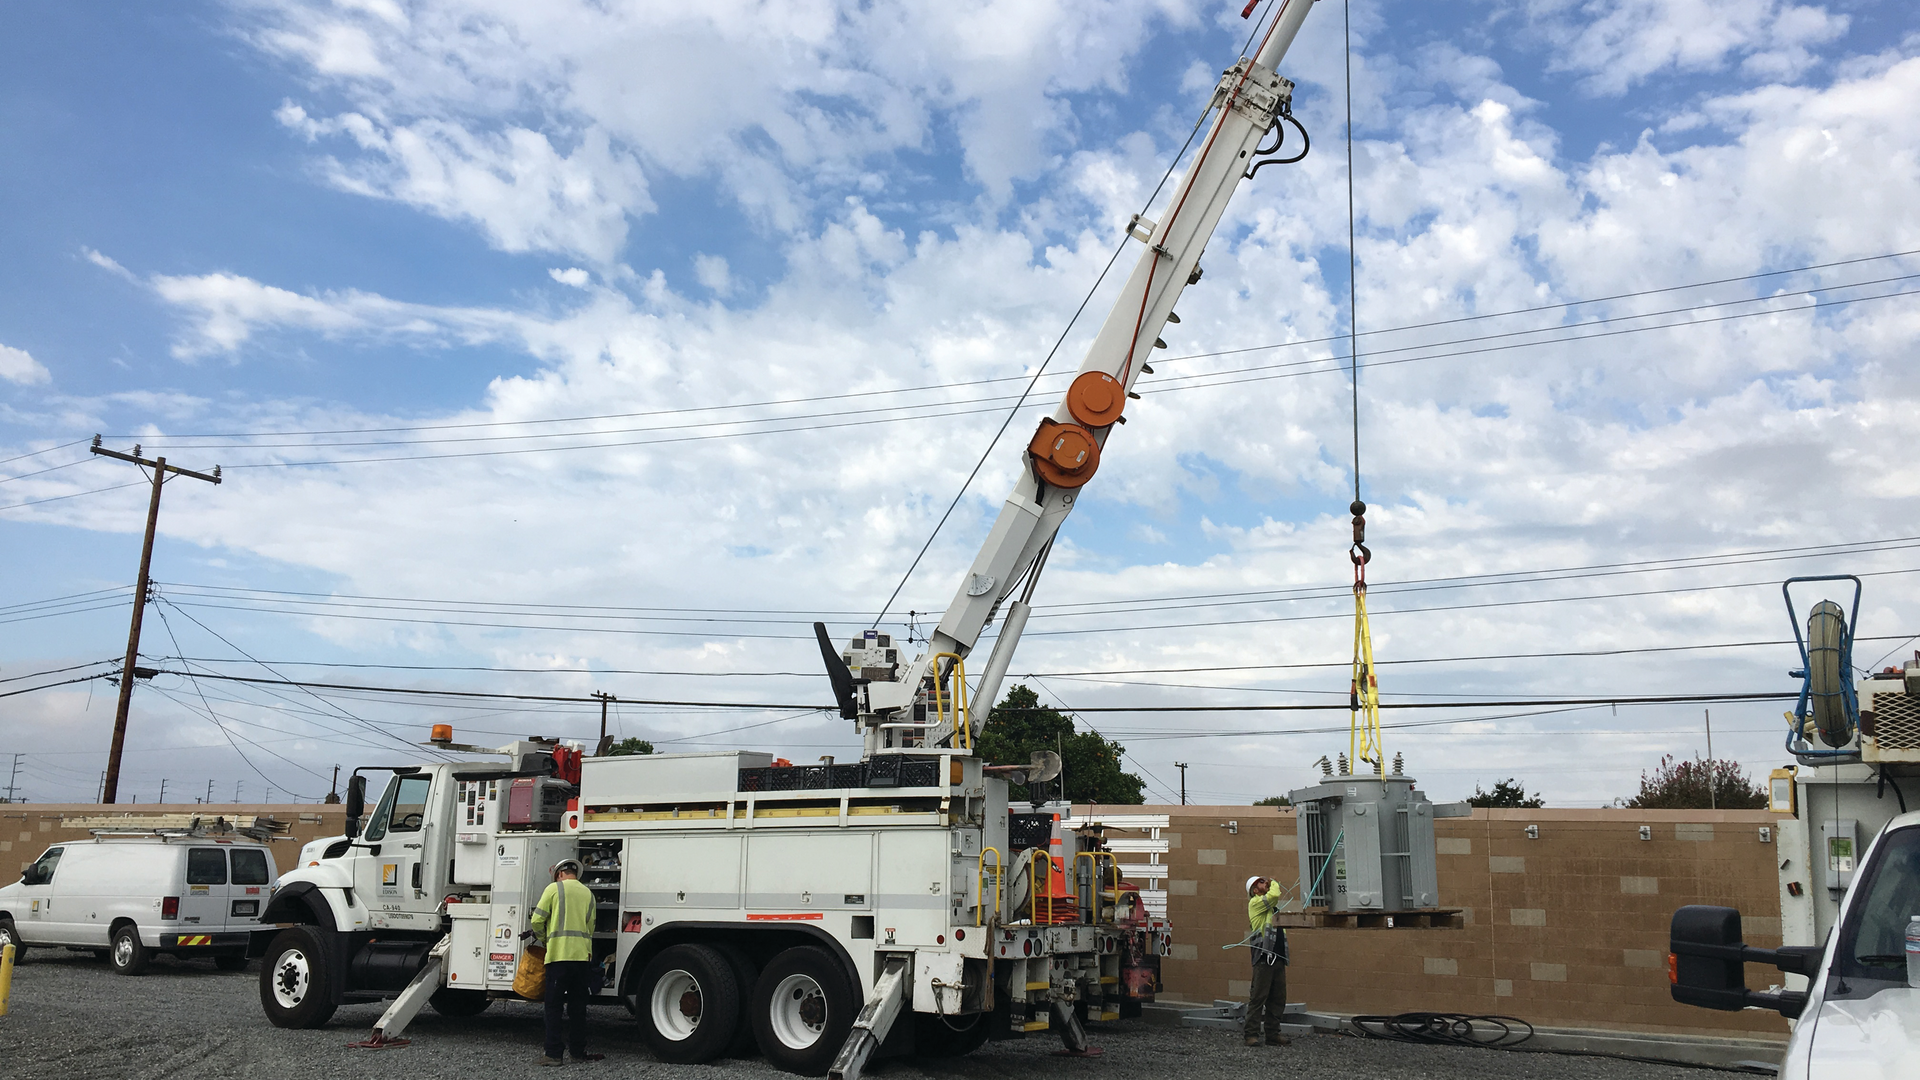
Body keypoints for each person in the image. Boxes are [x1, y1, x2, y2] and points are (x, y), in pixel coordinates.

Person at [531, 859, 604, 1065]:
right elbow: (590, 928)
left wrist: (545, 938)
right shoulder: (588, 894)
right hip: (582, 958)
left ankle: (553, 1054)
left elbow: (537, 920)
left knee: (553, 1007)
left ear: (559, 874)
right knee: (578, 1008)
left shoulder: (553, 889)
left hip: (558, 957)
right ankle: (578, 1053)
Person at [1243, 875, 1291, 1047]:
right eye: (1261, 883)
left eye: (1265, 881)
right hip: (1264, 957)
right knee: (1258, 997)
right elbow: (1273, 895)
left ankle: (1273, 1034)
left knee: (1278, 998)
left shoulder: (1271, 909)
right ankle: (1251, 1035)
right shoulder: (1256, 903)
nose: (1266, 883)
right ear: (1255, 891)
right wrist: (1274, 882)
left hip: (1277, 956)